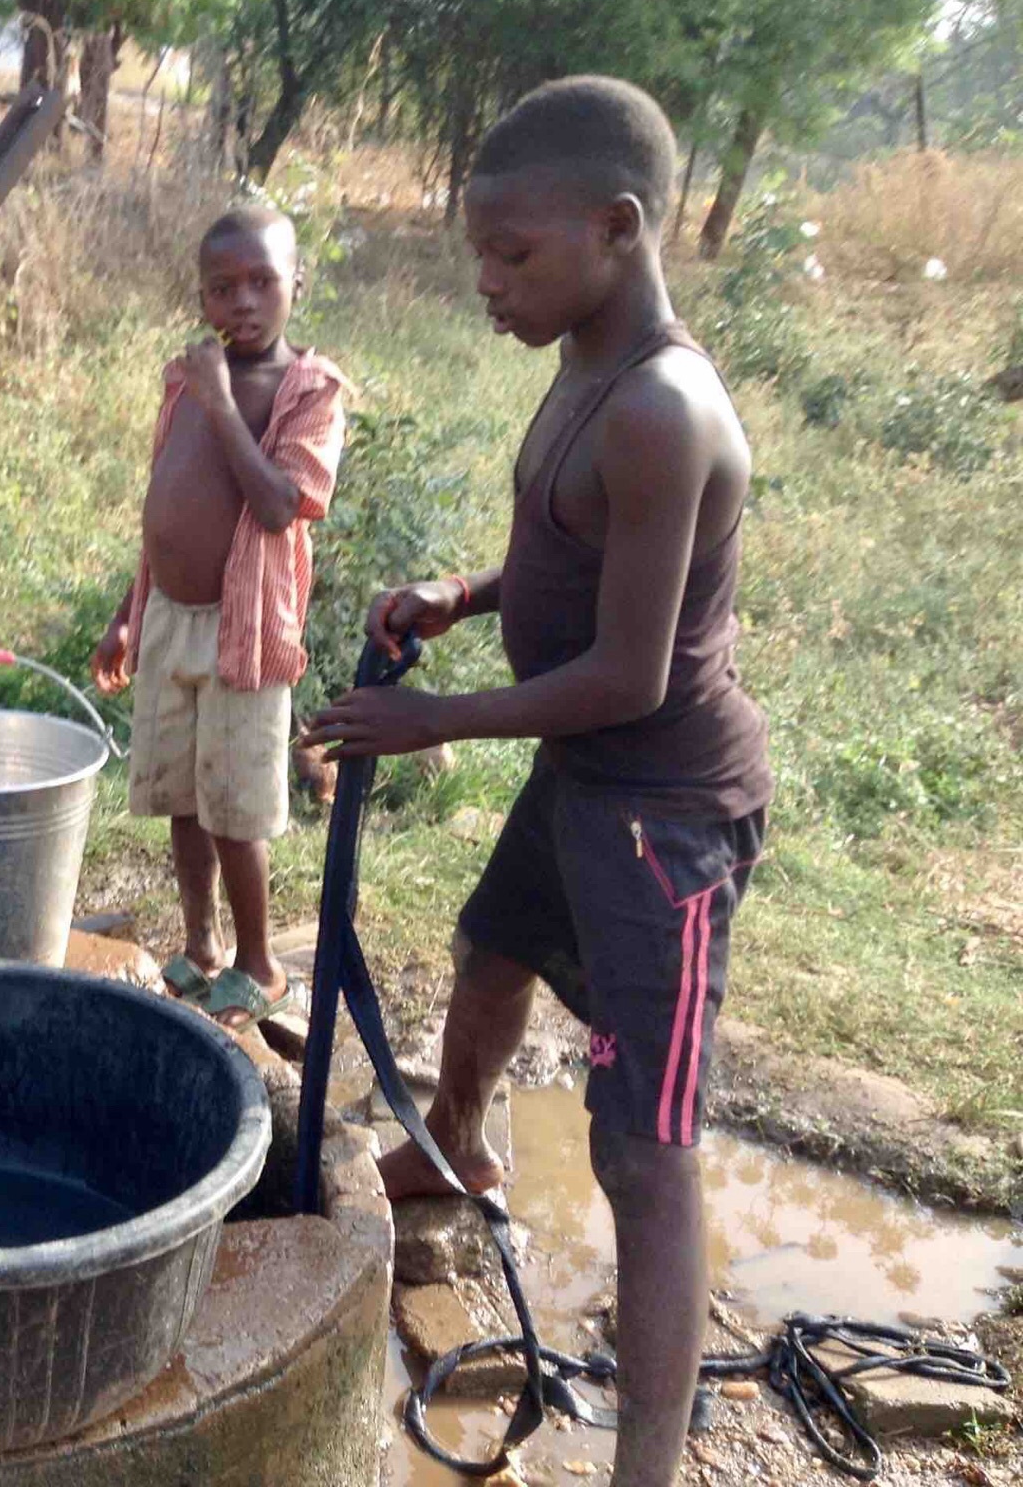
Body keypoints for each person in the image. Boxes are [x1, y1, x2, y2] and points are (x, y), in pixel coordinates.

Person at [302, 77, 771, 1487]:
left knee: (646, 1154)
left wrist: (437, 715)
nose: (489, 285)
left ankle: (646, 1466)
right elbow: (575, 550)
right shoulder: (585, 364)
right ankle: (460, 1151)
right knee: (490, 957)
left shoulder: (662, 405)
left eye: (513, 255)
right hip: (585, 777)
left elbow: (631, 671)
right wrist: (460, 593)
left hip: (664, 813)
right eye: (481, 257)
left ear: (619, 227)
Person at [92, 206, 348, 1031]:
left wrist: (223, 400)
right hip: (169, 619)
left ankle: (260, 964)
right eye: (222, 287)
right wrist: (131, 614)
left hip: (246, 633)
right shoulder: (184, 381)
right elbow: (161, 507)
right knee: (182, 795)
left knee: (235, 807)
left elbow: (280, 504)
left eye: (263, 283)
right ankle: (200, 948)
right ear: (201, 298)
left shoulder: (310, 391)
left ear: (296, 286)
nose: (244, 302)